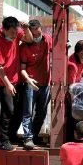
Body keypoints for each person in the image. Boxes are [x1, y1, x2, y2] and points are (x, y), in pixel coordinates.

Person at [0, 16, 33, 151]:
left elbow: (29, 39)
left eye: (16, 32)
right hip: (4, 82)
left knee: (19, 111)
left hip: (17, 80)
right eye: (12, 33)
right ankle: (3, 140)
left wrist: (26, 29)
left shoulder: (16, 32)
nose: (15, 35)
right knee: (8, 111)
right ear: (4, 30)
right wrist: (8, 84)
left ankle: (12, 135)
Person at [20, 20, 52, 150]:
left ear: (41, 29)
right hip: (31, 83)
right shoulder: (24, 47)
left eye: (39, 33)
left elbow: (58, 50)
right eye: (34, 35)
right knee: (28, 112)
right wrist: (28, 79)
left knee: (42, 112)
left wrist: (65, 46)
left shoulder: (47, 39)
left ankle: (35, 135)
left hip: (45, 83)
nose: (37, 37)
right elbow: (22, 68)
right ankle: (28, 138)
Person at [66, 40, 83, 140]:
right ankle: (72, 139)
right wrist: (74, 103)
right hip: (71, 95)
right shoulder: (72, 65)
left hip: (78, 93)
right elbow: (71, 87)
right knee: (73, 118)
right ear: (81, 53)